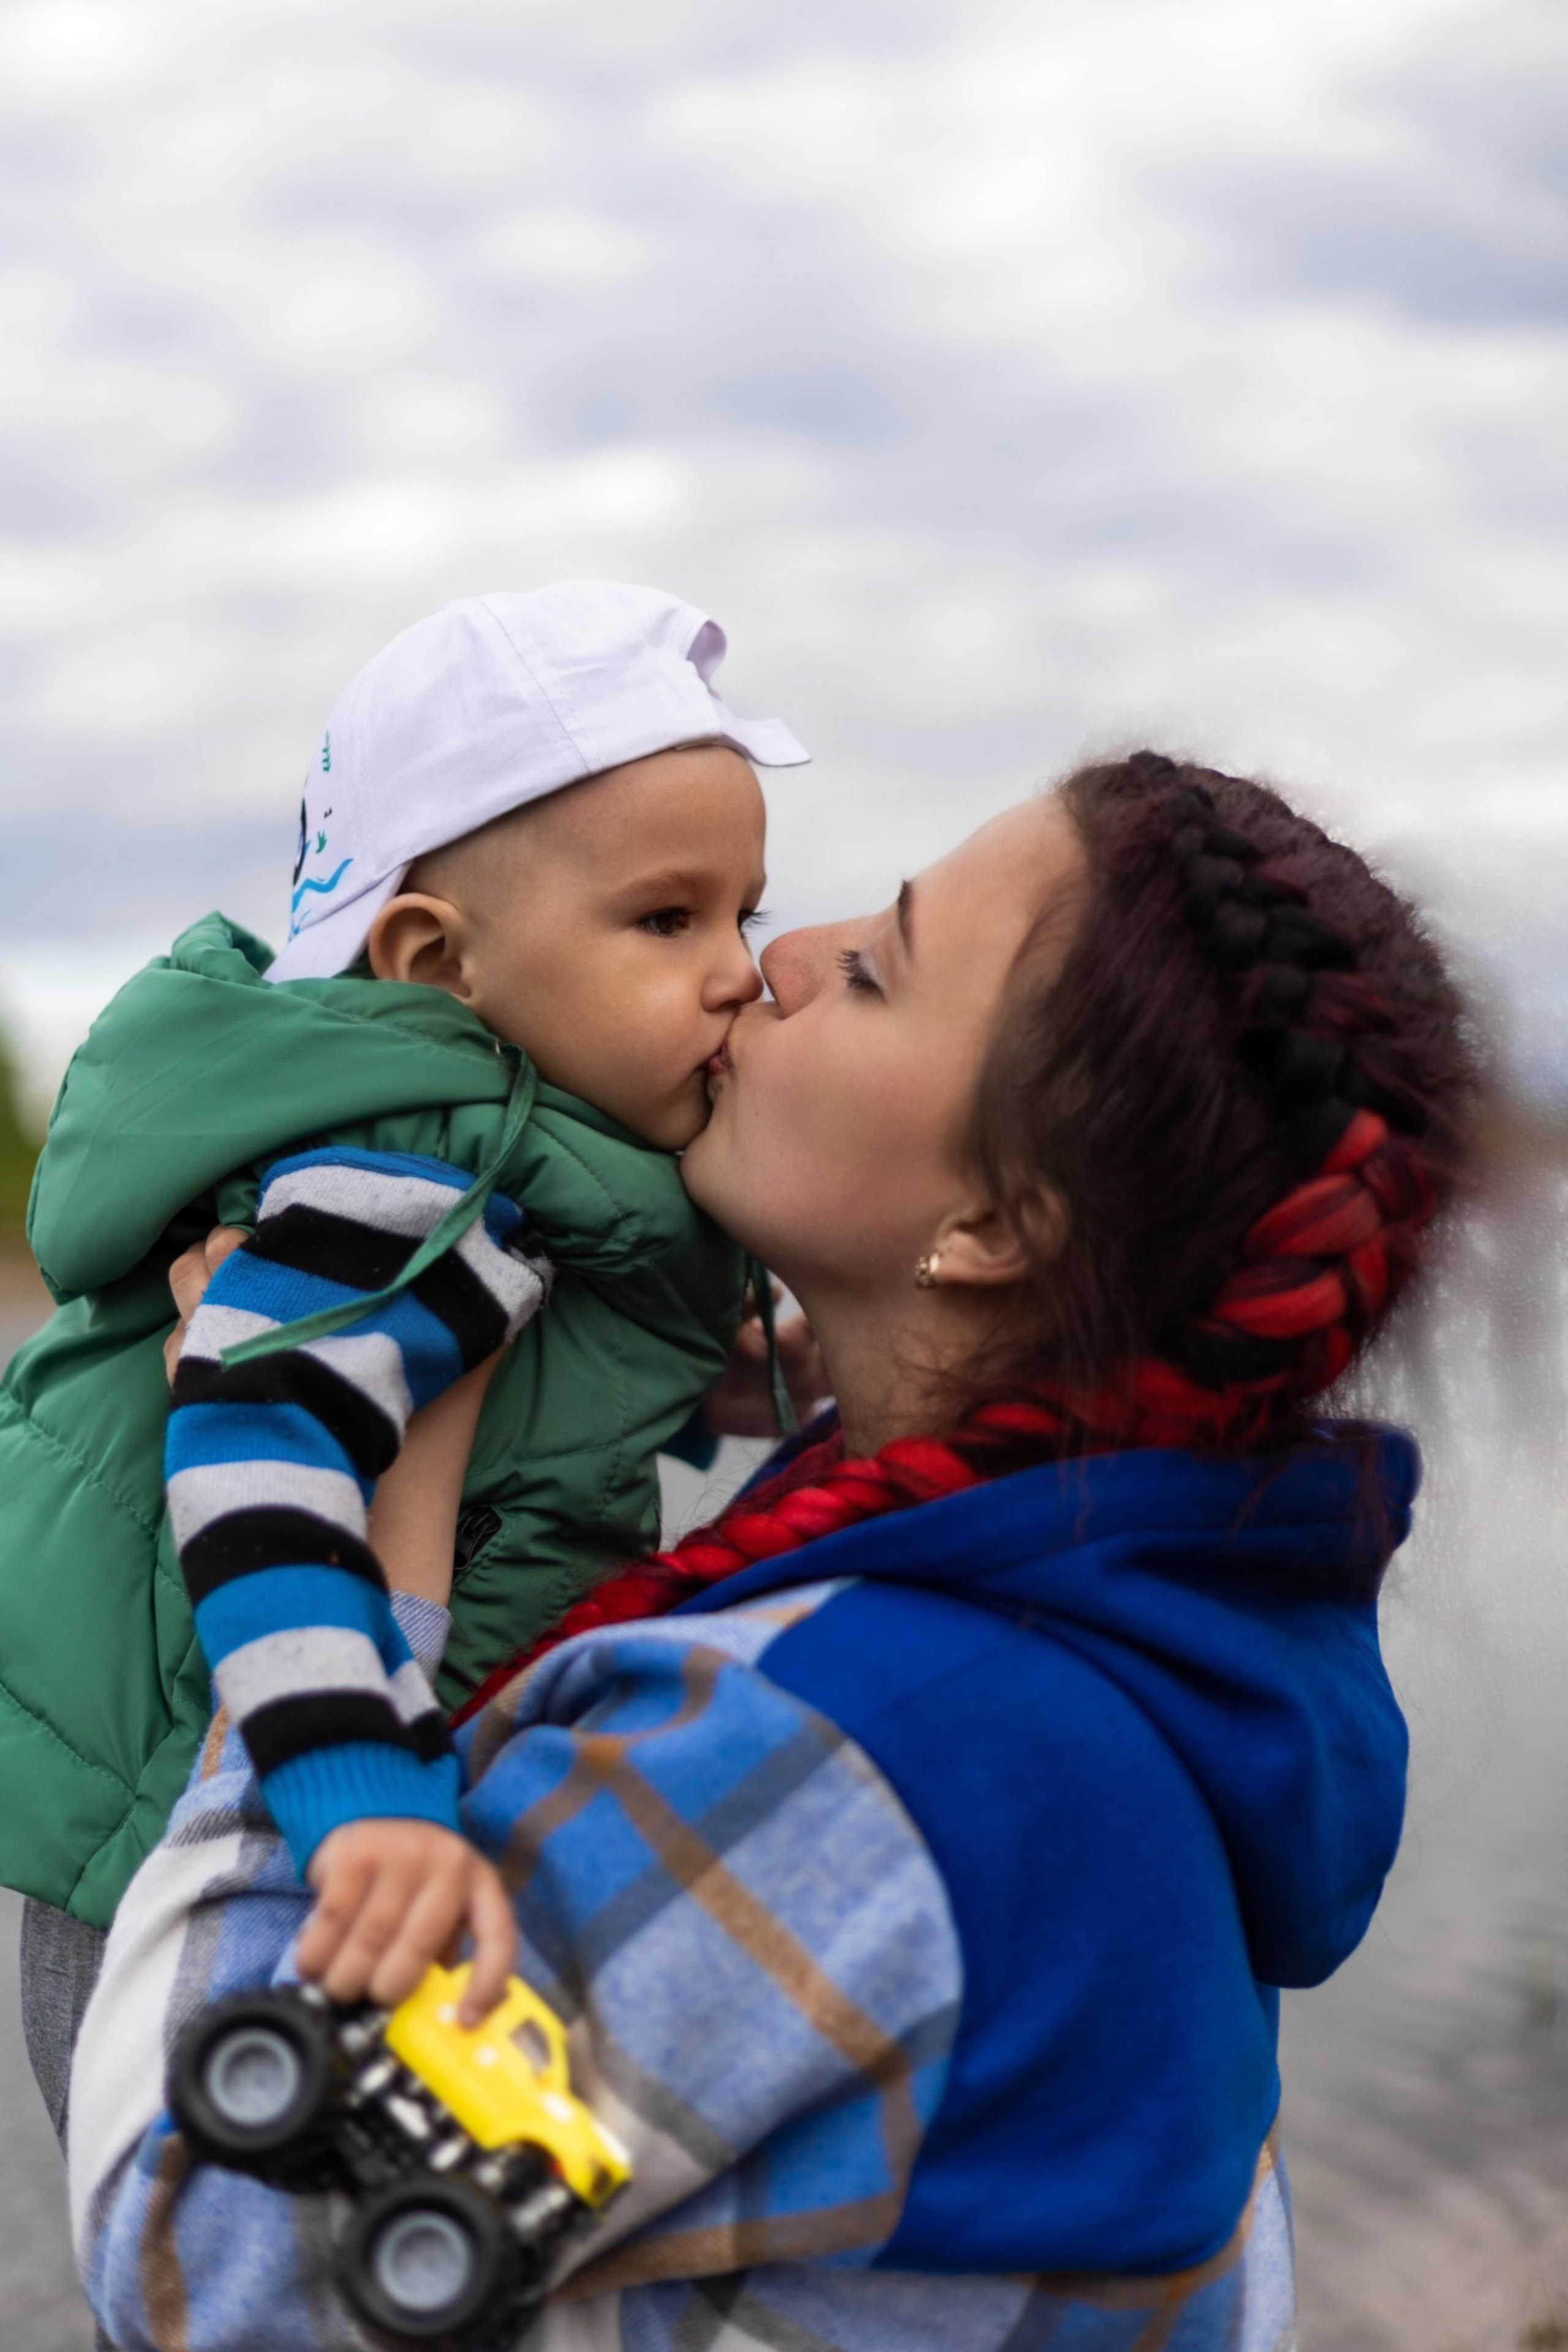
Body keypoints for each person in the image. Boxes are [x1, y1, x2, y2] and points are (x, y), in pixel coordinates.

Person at [70, 752, 1473, 2348]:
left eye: (875, 969)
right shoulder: (1133, 1642)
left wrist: (372, 1565)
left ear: (1001, 1225)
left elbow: (223, 2270)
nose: (771, 961)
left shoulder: (873, 1747)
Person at [0, 577, 815, 2128]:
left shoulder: (539, 1152)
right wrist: (350, 1779)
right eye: (665, 918)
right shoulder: (409, 1172)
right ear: (441, 965)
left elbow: (530, 1378)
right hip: (227, 1826)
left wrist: (767, 1383)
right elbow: (252, 1440)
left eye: (741, 911)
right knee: (218, 2249)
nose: (733, 969)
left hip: (301, 1797)